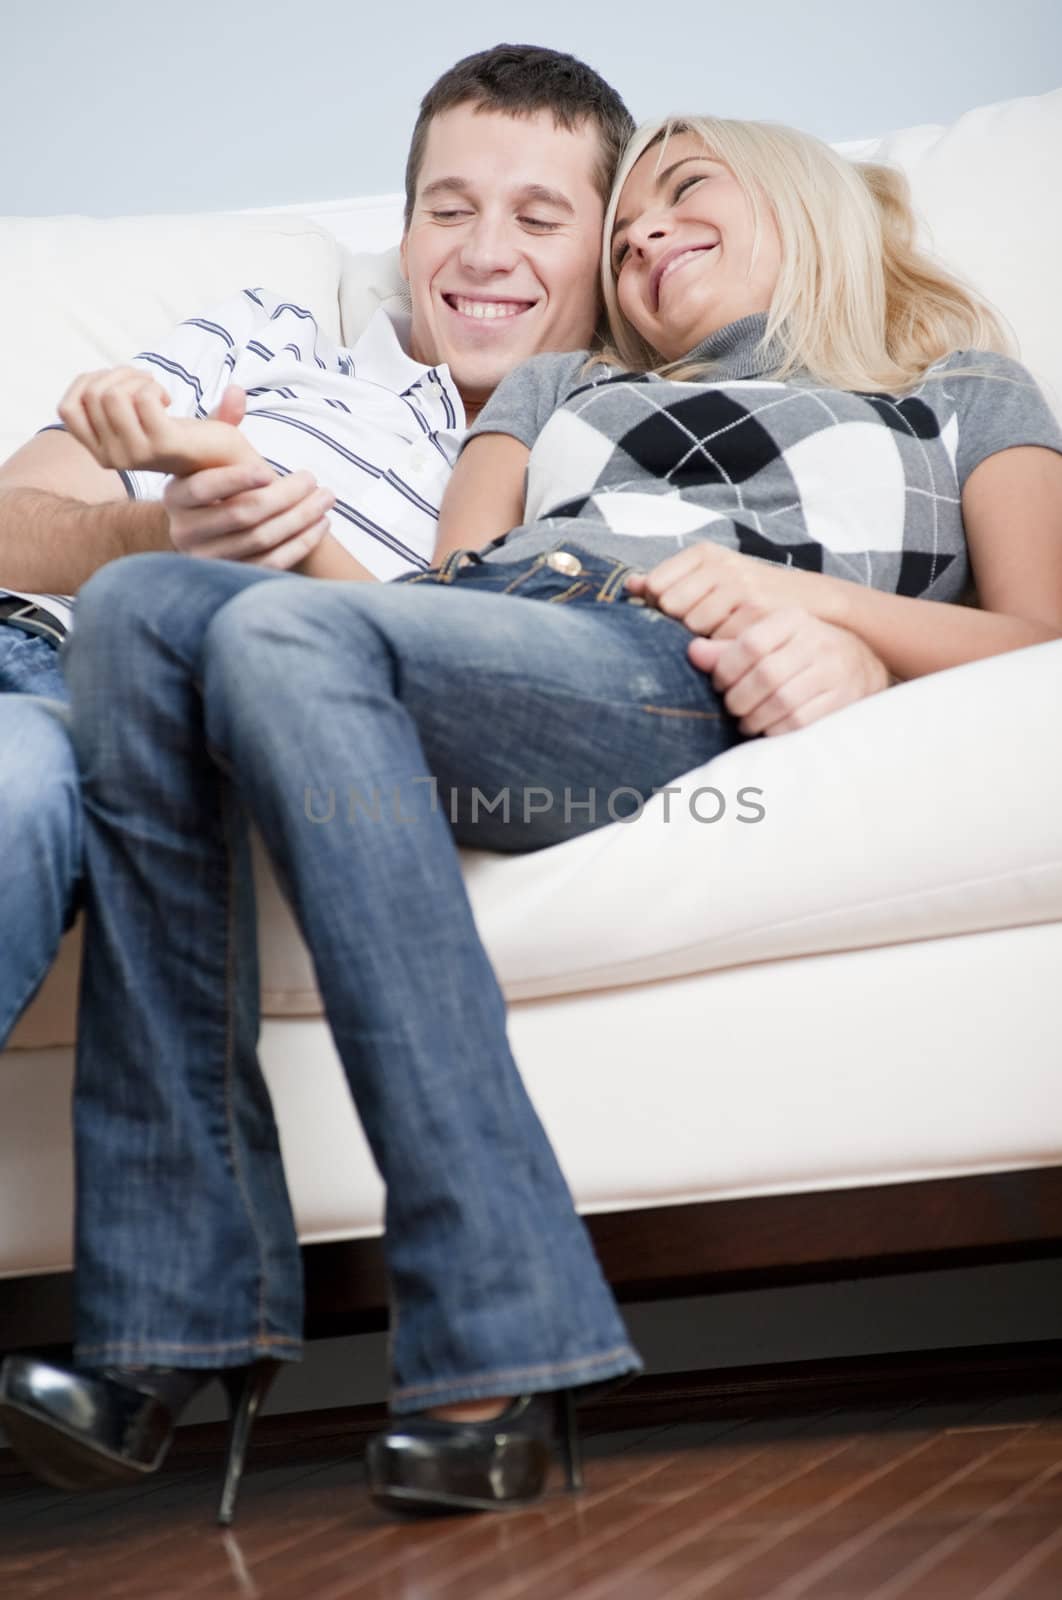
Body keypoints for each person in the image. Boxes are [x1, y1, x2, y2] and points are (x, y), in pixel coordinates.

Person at [10, 108, 1060, 1526]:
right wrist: (233, 494)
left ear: (804, 204)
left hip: (653, 667)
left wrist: (812, 610)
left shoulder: (959, 389)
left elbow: (1036, 631)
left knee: (247, 632)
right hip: (495, 637)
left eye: (682, 195)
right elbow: (417, 612)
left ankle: (488, 1324)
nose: (641, 237)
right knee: (142, 604)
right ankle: (174, 1315)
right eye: (623, 228)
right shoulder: (555, 381)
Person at [0, 41, 634, 1047]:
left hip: (125, 730)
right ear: (407, 226)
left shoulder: (581, 455)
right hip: (17, 638)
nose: (482, 251)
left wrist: (275, 545)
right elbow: (8, 523)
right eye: (450, 207)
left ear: (606, 250)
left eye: (538, 218)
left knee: (18, 781)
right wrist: (160, 530)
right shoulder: (266, 339)